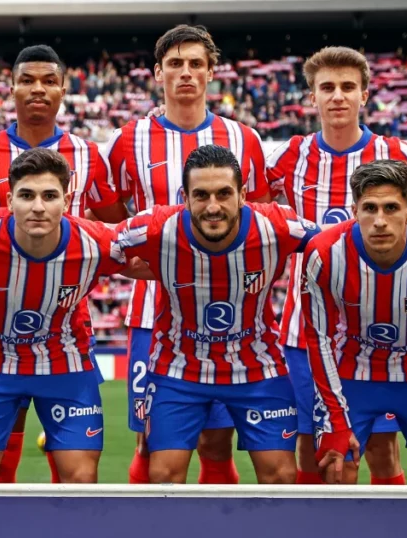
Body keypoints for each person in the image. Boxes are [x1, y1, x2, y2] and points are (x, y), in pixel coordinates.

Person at [104, 24, 269, 485]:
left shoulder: (243, 139)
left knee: (216, 439)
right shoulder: (128, 140)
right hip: (153, 309)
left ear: (212, 72)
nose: (186, 73)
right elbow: (113, 218)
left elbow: (256, 220)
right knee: (151, 435)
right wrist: (133, 261)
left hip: (226, 311)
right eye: (175, 64)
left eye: (196, 64)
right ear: (158, 73)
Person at [0, 44, 127, 483]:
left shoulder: (89, 155)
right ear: (10, 88)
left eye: (49, 81)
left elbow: (113, 229)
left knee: (77, 476)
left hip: (67, 335)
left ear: (64, 91)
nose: (38, 88)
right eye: (28, 80)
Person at [265, 46, 407, 485]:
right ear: (312, 97)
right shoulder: (290, 157)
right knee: (314, 448)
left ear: (365, 95)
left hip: (379, 332)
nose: (337, 96)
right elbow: (251, 217)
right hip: (305, 330)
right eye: (327, 88)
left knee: (381, 450)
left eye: (347, 87)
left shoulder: (396, 154)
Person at [114, 144, 314, 485]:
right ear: (185, 197)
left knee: (281, 476)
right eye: (201, 195)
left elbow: (339, 246)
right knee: (162, 476)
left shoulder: (277, 225)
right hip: (179, 369)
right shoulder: (156, 228)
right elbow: (95, 246)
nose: (213, 206)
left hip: (258, 368)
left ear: (242, 194)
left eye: (224, 193)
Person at [0, 148, 134, 483]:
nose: (39, 207)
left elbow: (164, 254)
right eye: (27, 195)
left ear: (67, 198)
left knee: (81, 480)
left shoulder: (98, 242)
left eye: (50, 196)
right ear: (9, 197)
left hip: (65, 363)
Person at [302, 160, 407, 485]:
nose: (379, 221)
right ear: (354, 210)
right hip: (352, 373)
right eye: (369, 208)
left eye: (391, 208)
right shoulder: (323, 253)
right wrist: (336, 419)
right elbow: (317, 338)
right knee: (336, 468)